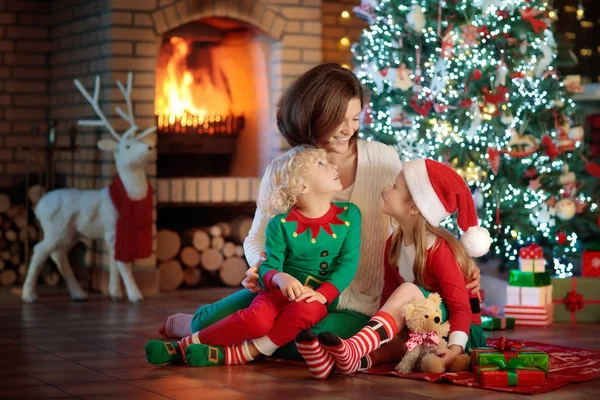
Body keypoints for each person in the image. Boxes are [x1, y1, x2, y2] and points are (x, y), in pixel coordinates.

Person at [157, 63, 481, 361]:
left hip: (354, 303)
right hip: (287, 292)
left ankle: (225, 344)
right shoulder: (284, 170)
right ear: (313, 115)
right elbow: (258, 236)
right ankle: (190, 327)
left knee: (306, 342)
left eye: (355, 118)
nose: (348, 129)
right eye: (338, 119)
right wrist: (263, 268)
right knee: (229, 319)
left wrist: (457, 262)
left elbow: (410, 219)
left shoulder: (382, 159)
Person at [145, 145, 362, 366]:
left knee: (303, 321)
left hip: (315, 299)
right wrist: (279, 277)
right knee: (255, 321)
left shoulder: (350, 214)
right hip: (276, 293)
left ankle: (243, 353)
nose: (334, 165)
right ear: (303, 185)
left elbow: (348, 262)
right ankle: (186, 339)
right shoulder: (280, 223)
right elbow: (269, 265)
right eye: (321, 164)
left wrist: (324, 295)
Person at [296, 159, 490, 379]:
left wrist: (456, 348)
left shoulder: (439, 250)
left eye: (395, 187)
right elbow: (389, 299)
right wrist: (385, 335)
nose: (386, 189)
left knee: (409, 291)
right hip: (422, 330)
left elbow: (461, 309)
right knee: (394, 343)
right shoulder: (394, 244)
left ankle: (354, 347)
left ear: (415, 207)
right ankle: (340, 363)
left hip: (459, 333)